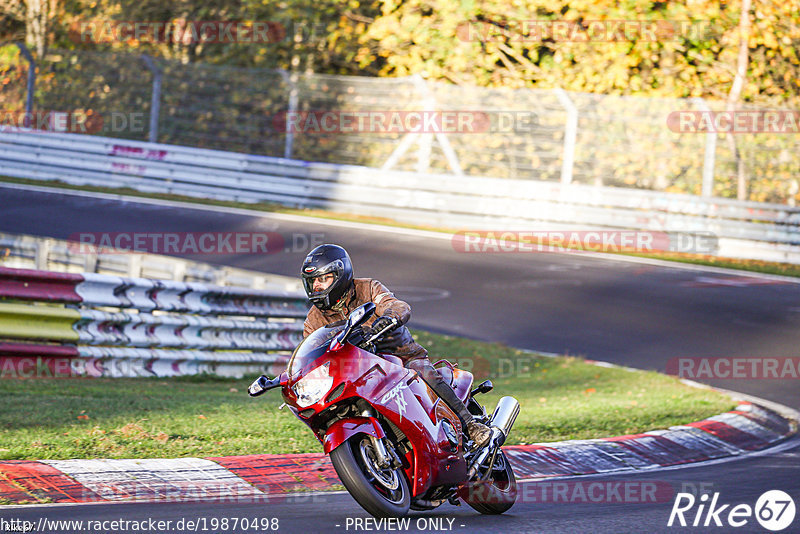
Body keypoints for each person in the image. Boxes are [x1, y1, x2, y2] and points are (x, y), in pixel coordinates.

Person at [300, 243, 491, 448]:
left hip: (401, 358)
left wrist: (389, 318)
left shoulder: (368, 288)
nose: (317, 286)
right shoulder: (314, 320)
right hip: (360, 372)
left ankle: (471, 425)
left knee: (422, 371)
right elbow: (309, 353)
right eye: (313, 282)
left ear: (340, 273)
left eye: (323, 279)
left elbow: (396, 305)